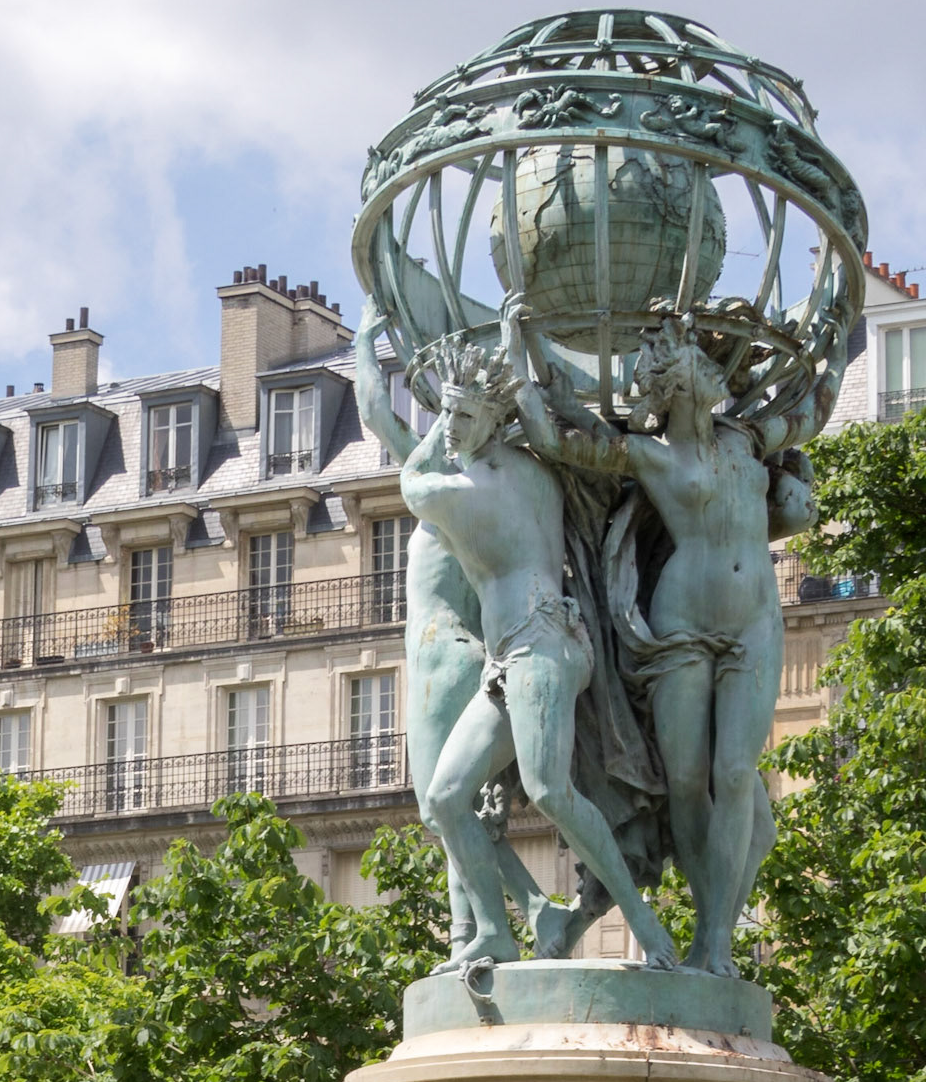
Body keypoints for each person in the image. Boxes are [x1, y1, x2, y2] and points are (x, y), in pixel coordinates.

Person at [511, 304, 840, 976]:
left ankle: (714, 940)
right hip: (679, 626)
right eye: (694, 365)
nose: (710, 374)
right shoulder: (645, 453)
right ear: (676, 382)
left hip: (753, 622)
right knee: (688, 782)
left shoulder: (747, 441)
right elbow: (553, 438)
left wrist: (836, 337)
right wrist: (521, 355)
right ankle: (701, 930)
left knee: (735, 775)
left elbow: (811, 416)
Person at [398, 329, 678, 971]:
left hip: (542, 645)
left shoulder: (477, 491)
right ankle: (495, 932)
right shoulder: (530, 470)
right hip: (512, 659)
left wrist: (438, 426)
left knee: (548, 790)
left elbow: (413, 483)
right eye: (449, 415)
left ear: (494, 420)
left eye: (466, 417)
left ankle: (646, 927)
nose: (453, 429)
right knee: (444, 800)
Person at [353, 301, 570, 963]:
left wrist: (366, 339)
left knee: (441, 809)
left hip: (443, 658)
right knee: (458, 813)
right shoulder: (469, 487)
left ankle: (497, 926)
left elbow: (375, 413)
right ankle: (509, 921)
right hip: (467, 657)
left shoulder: (450, 490)